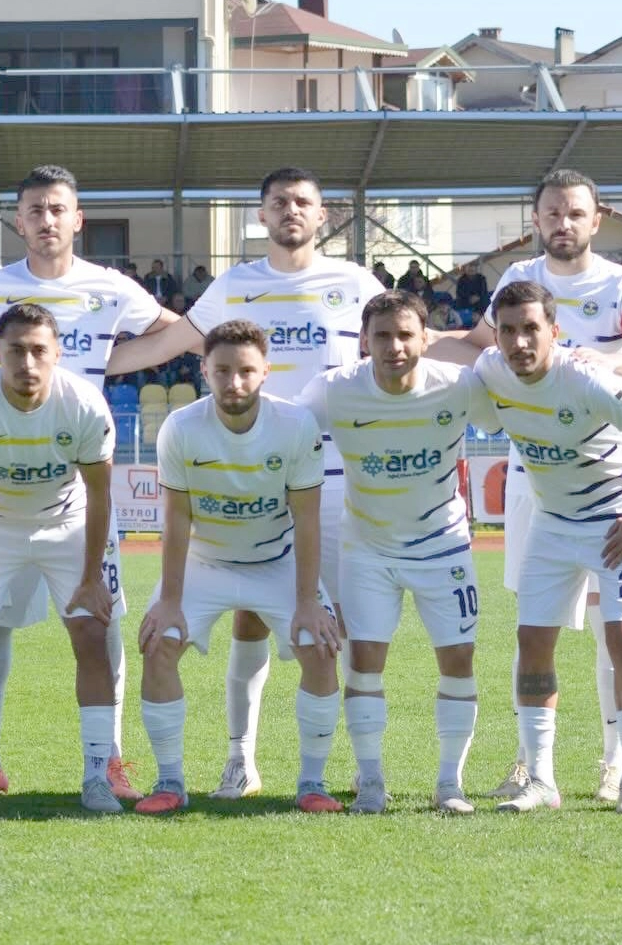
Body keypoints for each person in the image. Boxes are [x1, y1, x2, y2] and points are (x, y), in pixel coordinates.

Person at [106, 166, 385, 800]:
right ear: (261, 215)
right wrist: (85, 364)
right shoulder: (236, 286)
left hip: (331, 480)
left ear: (323, 215)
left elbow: (407, 342)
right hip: (243, 467)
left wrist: (487, 358)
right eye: (279, 202)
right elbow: (174, 341)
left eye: (303, 201)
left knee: (337, 627)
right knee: (250, 622)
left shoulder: (355, 283)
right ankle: (241, 760)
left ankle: (359, 765)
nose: (291, 210)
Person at [0, 165, 176, 802]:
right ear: (18, 221)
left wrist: (106, 364)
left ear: (77, 219)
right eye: (35, 210)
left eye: (58, 209)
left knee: (101, 624)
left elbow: (178, 333)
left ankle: (108, 761)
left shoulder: (109, 287)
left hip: (72, 482)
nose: (47, 220)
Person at [428, 169, 622, 803]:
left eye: (575, 213)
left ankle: (616, 762)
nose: (563, 223)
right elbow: (480, 346)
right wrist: (418, 345)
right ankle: (533, 763)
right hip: (534, 474)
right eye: (552, 213)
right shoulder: (516, 277)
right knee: (535, 624)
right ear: (536, 219)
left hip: (604, 465)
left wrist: (599, 363)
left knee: (614, 626)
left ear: (596, 219)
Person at [476, 280, 622, 816]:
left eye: (531, 329)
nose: (519, 342)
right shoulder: (490, 372)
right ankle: (541, 781)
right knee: (531, 641)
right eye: (508, 330)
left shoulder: (587, 379)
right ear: (496, 336)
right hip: (551, 524)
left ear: (555, 331)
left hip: (616, 523)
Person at [297, 290, 500, 814]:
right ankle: (371, 781)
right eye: (382, 336)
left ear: (425, 339)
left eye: (406, 335)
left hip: (443, 546)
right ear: (364, 341)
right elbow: (285, 435)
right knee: (365, 663)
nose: (395, 347)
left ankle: (449, 784)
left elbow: (508, 419)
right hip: (367, 550)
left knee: (458, 659)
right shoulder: (334, 390)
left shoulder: (459, 385)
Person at [135, 319, 342, 815]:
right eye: (223, 370)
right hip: (206, 562)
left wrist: (308, 602)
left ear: (265, 371)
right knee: (158, 643)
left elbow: (307, 518)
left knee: (320, 645)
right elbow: (177, 517)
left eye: (246, 371)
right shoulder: (181, 428)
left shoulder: (295, 425)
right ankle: (169, 781)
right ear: (204, 371)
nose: (234, 382)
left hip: (275, 560)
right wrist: (169, 601)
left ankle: (311, 783)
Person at [0, 303, 125, 814]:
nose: (27, 362)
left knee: (92, 630)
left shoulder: (84, 404)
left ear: (57, 353)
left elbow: (100, 496)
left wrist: (91, 578)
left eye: (39, 350)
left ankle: (97, 776)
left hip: (68, 522)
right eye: (15, 351)